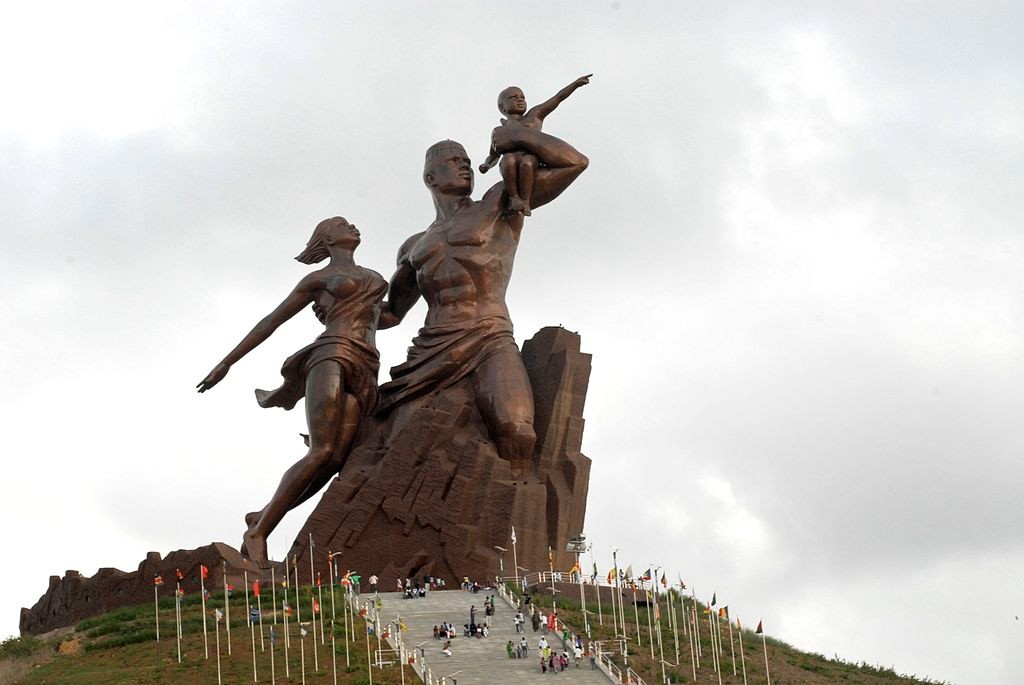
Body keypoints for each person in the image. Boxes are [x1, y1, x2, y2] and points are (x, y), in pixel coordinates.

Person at [376, 123, 589, 479]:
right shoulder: (414, 246)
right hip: (431, 350)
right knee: (400, 446)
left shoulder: (499, 201)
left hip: (489, 336)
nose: (465, 165)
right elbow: (391, 313)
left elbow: (574, 164)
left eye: (468, 160)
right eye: (454, 160)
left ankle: (511, 525)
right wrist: (338, 309)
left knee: (518, 431)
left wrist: (522, 137)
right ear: (430, 176)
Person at [198, 217, 390, 564]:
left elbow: (386, 317)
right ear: (328, 238)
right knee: (321, 450)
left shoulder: (375, 277)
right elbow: (271, 321)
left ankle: (263, 514)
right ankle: (258, 532)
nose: (354, 226)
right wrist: (226, 363)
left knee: (334, 460)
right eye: (344, 224)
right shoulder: (318, 279)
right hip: (331, 352)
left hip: (367, 363)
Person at [478, 74, 592, 217]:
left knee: (528, 162)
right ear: (502, 107)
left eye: (522, 97)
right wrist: (486, 165)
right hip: (510, 162)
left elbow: (557, 99)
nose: (520, 99)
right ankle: (514, 197)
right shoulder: (499, 131)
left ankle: (525, 200)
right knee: (508, 160)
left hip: (530, 159)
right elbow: (493, 155)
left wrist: (574, 85)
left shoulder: (534, 115)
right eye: (513, 97)